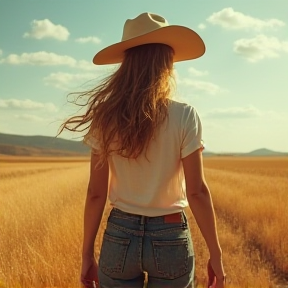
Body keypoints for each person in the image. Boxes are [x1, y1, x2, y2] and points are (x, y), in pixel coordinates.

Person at [59, 12, 226, 288]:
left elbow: (95, 193)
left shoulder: (106, 116)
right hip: (171, 236)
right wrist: (216, 253)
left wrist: (86, 254)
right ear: (166, 63)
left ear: (127, 62)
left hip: (118, 236)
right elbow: (197, 191)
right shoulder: (185, 115)